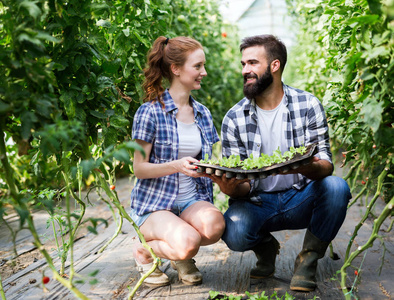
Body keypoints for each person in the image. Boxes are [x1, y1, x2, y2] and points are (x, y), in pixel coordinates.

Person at [211, 34, 352, 292]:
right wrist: (229, 188)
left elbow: (326, 165)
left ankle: (308, 259)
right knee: (233, 232)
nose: (245, 70)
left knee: (336, 188)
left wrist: (302, 165)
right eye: (243, 64)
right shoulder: (234, 118)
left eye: (252, 63)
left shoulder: (308, 105)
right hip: (259, 203)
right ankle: (265, 248)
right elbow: (241, 185)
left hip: (300, 197)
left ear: (274, 66)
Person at [129, 36, 225, 287]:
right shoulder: (149, 112)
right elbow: (138, 169)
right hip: (156, 205)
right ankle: (144, 251)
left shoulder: (202, 113)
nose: (204, 72)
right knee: (188, 244)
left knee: (215, 226)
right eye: (198, 66)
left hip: (189, 200)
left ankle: (180, 245)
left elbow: (207, 162)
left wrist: (222, 171)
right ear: (176, 69)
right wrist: (176, 165)